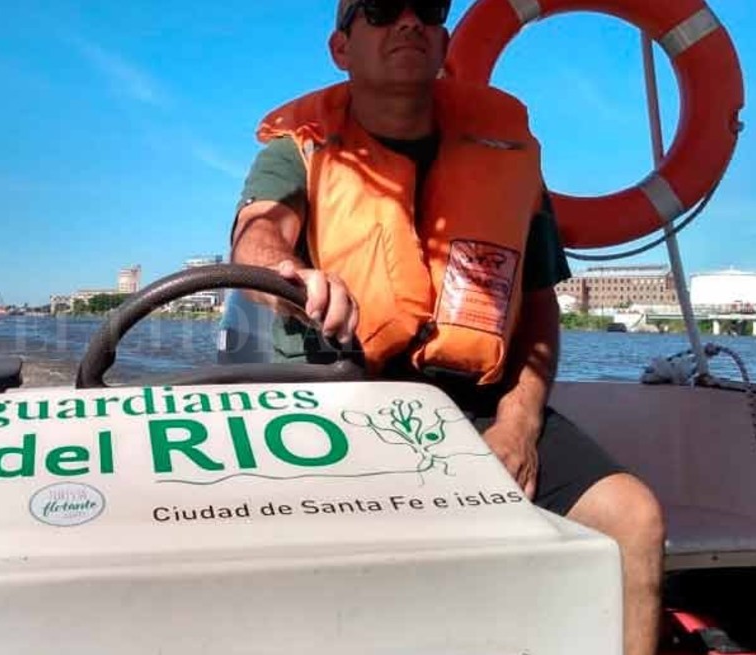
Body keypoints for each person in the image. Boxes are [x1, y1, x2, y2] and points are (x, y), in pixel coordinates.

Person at [229, 1, 665, 652]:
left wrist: (518, 427)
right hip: (338, 404)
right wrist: (290, 279)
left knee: (635, 517)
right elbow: (258, 238)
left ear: (443, 40)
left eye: (427, 9)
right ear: (341, 49)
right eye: (379, 10)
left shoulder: (508, 148)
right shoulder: (300, 145)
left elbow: (539, 307)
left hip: (476, 403)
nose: (408, 22)